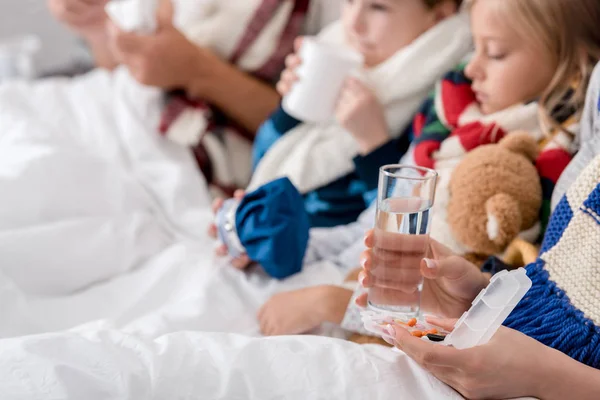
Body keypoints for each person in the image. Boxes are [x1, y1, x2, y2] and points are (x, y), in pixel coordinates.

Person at [257, 0, 600, 336]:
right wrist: (285, 242)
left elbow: (502, 300)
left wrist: (332, 302)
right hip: (352, 284)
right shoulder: (448, 118)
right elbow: (367, 228)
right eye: (475, 47)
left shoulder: (553, 173)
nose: (470, 68)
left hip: (400, 319)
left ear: (572, 68)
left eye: (494, 52)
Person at [208, 0, 472, 272]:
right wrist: (291, 109)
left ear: (439, 16)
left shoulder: (443, 99)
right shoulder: (336, 50)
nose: (353, 24)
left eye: (378, 7)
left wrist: (375, 145)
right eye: (349, 1)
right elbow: (265, 159)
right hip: (274, 245)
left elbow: (396, 228)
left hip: (338, 263)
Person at [45, 0, 342, 192]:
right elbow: (118, 71)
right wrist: (94, 26)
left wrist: (199, 71)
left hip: (215, 174)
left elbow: (324, 138)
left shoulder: (340, 14)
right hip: (115, 124)